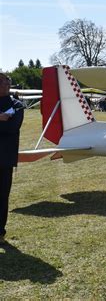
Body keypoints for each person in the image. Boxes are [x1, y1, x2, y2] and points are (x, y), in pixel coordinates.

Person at [0, 73, 24, 244]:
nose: (5, 86)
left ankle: (0, 232)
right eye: (2, 83)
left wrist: (5, 121)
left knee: (2, 196)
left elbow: (12, 127)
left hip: (4, 158)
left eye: (7, 83)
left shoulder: (17, 105)